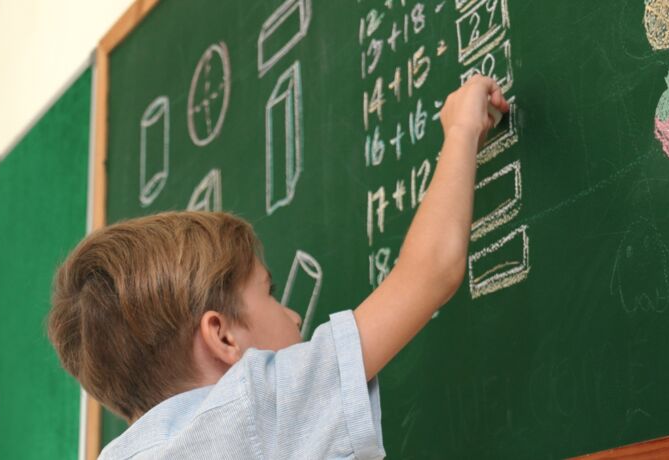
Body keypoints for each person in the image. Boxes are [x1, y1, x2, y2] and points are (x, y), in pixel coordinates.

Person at [47, 75, 509, 458]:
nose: (292, 315)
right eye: (268, 293)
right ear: (223, 336)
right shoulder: (255, 409)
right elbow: (431, 272)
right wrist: (461, 131)